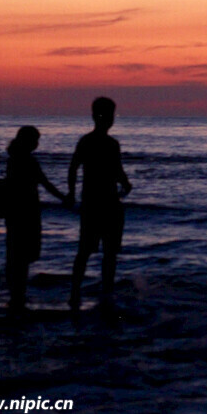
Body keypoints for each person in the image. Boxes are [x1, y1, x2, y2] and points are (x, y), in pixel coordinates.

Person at [67, 97, 132, 310]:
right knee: (107, 252)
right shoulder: (109, 144)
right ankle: (105, 292)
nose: (111, 119)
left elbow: (73, 168)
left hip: (93, 203)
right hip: (106, 203)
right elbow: (117, 170)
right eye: (110, 115)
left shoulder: (86, 141)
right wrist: (126, 184)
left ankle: (77, 293)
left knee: (87, 250)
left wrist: (71, 193)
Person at [1, 126, 67, 313]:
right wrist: (63, 198)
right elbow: (45, 183)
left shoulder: (13, 159)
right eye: (35, 140)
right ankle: (18, 296)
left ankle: (15, 295)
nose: (37, 144)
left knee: (14, 253)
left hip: (14, 212)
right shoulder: (28, 161)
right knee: (24, 255)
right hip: (27, 212)